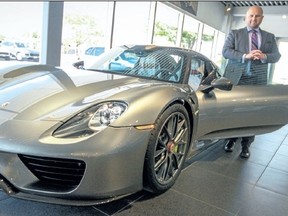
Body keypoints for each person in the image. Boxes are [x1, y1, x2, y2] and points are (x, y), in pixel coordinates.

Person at [222, 5, 281, 158]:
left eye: (257, 16)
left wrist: (264, 57)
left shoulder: (269, 37)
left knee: (254, 113)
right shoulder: (235, 34)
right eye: (251, 16)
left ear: (262, 18)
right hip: (237, 79)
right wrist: (245, 56)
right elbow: (226, 51)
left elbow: (276, 56)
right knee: (233, 111)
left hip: (258, 80)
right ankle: (230, 140)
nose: (254, 19)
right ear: (246, 17)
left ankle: (246, 145)